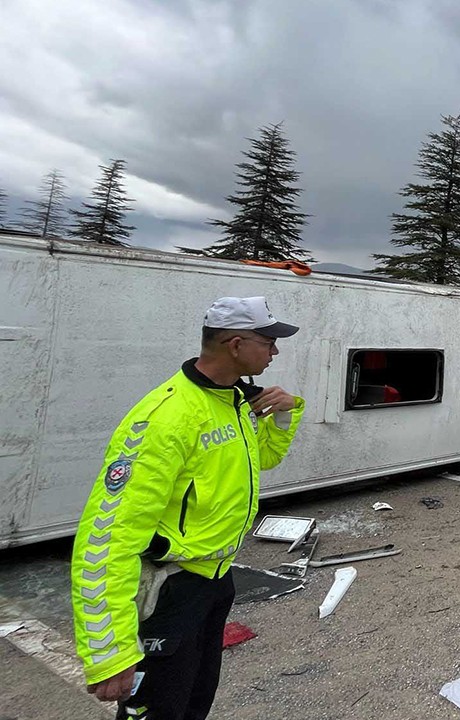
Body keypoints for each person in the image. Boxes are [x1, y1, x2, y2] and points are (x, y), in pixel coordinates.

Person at [70, 296, 305, 717]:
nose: (275, 351)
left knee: (194, 703)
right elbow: (108, 535)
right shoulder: (167, 416)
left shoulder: (232, 402)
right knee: (160, 709)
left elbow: (261, 460)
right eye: (268, 341)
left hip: (215, 581)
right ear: (236, 345)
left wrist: (284, 416)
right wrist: (110, 651)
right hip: (170, 591)